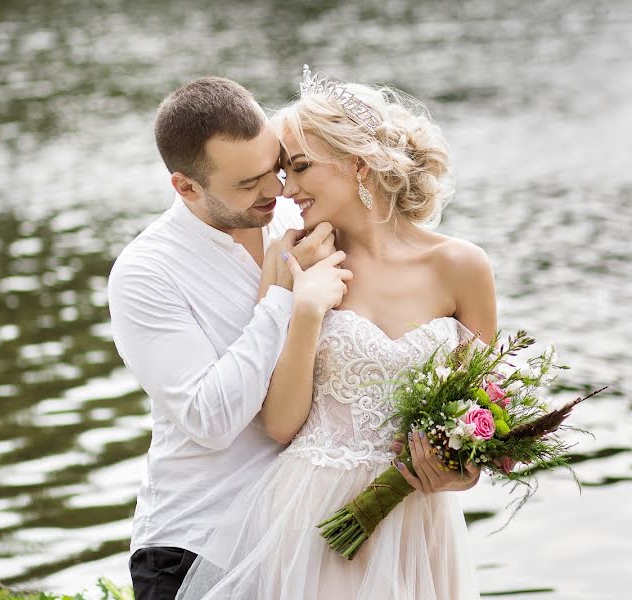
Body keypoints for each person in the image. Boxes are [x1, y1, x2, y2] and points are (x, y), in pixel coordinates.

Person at [174, 67, 495, 600]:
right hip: (313, 516)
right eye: (283, 171)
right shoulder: (291, 259)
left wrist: (458, 470)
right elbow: (279, 424)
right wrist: (304, 309)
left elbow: (484, 413)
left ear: (357, 164)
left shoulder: (462, 266)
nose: (285, 190)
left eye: (299, 168)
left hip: (420, 518)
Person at [107, 76, 352, 600]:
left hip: (302, 538)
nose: (274, 191)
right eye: (246, 184)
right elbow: (211, 420)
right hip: (195, 546)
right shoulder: (146, 272)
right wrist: (280, 297)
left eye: (275, 169)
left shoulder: (296, 217)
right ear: (185, 187)